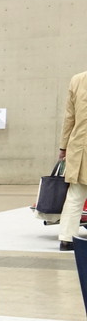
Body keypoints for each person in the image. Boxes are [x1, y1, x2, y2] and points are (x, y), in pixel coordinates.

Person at [58, 70, 87, 250]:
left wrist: (63, 147)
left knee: (75, 195)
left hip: (80, 147)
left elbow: (69, 117)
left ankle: (67, 238)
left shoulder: (77, 80)